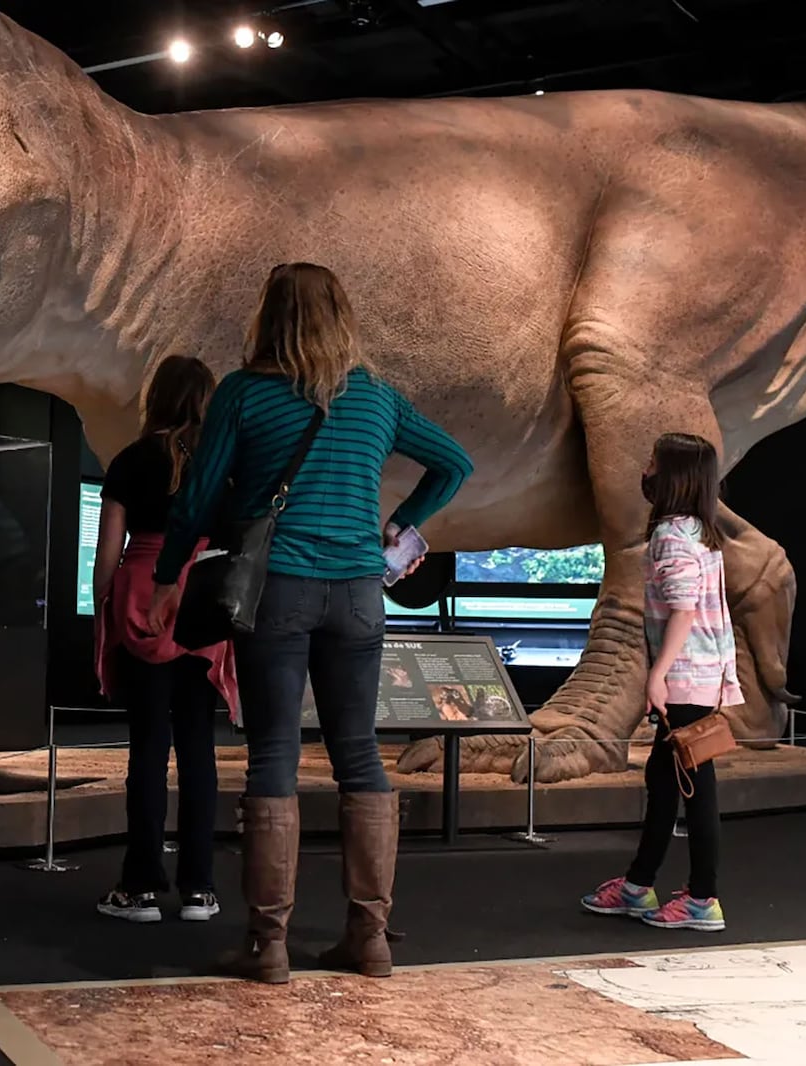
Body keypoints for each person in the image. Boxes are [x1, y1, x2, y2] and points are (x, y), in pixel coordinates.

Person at [150, 263, 473, 983]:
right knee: (359, 754)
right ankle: (372, 937)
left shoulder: (243, 394)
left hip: (280, 589)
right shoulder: (376, 398)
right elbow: (453, 464)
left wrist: (170, 576)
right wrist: (402, 524)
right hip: (360, 593)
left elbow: (199, 498)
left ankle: (269, 946)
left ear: (270, 316)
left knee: (273, 756)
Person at [93, 355, 238, 924]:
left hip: (140, 600)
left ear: (156, 398)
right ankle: (200, 888)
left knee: (148, 748)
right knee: (199, 748)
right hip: (200, 601)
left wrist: (104, 607)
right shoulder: (221, 464)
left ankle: (141, 888)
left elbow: (107, 554)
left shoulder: (131, 460)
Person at [582, 432, 740, 933]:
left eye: (651, 462)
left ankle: (702, 897)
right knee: (667, 781)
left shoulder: (673, 535)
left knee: (695, 789)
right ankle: (638, 884)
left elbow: (684, 610)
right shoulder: (700, 530)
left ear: (670, 476)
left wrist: (657, 676)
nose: (644, 469)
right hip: (703, 673)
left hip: (686, 677)